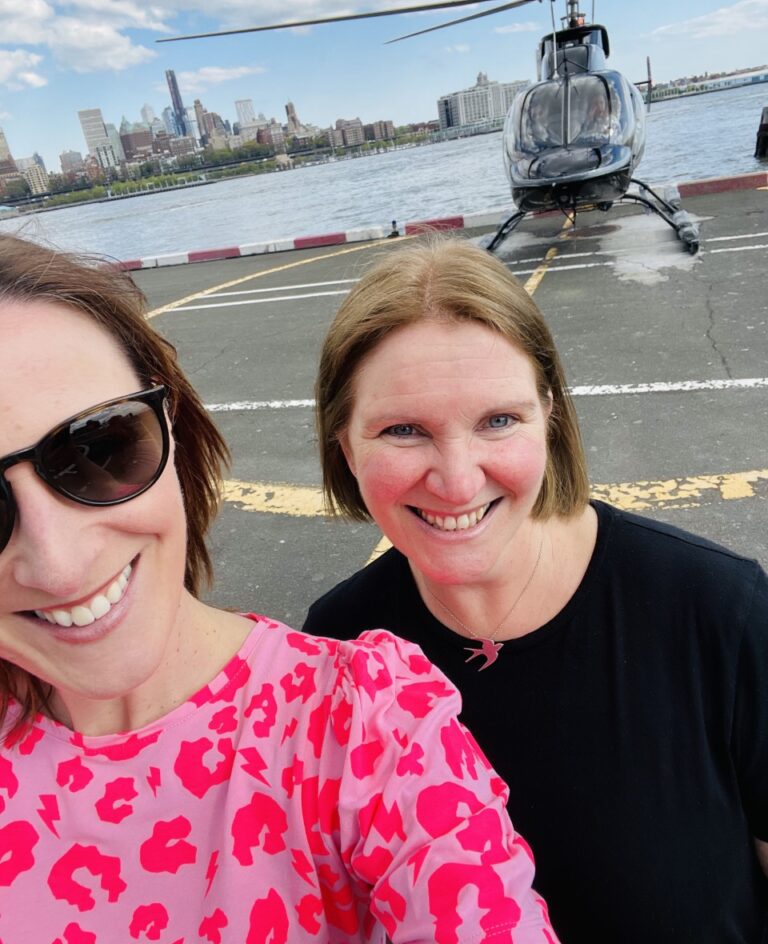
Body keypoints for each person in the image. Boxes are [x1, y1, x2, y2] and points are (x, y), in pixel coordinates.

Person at [0, 233, 560, 943]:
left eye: (99, 446)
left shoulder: (366, 728)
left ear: (173, 427)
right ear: (344, 445)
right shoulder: (345, 623)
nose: (56, 563)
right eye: (405, 431)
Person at [304, 236, 768, 943]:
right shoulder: (338, 647)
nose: (457, 480)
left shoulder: (718, 611)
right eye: (403, 430)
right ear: (345, 446)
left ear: (549, 417)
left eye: (498, 420)